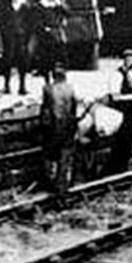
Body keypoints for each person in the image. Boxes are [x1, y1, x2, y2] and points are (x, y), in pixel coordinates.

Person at [39, 63, 78, 194]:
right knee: (65, 157)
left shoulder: (47, 89)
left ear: (53, 76)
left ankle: (51, 183)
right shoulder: (71, 88)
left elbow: (44, 111)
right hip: (67, 127)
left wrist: (43, 128)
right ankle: (63, 185)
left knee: (50, 157)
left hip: (52, 129)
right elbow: (74, 109)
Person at [104, 48, 132, 175]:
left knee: (127, 141)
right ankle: (115, 168)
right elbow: (115, 96)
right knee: (120, 141)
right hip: (119, 113)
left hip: (128, 114)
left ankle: (123, 168)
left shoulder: (129, 75)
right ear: (125, 60)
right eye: (130, 60)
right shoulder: (117, 75)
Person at [29, 0, 68, 84]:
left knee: (42, 52)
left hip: (52, 29)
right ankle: (54, 74)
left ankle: (43, 71)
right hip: (52, 29)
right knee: (56, 52)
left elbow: (34, 6)